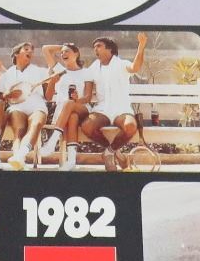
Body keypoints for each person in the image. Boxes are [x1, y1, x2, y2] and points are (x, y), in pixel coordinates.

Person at [80, 32, 151, 169]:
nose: (95, 49)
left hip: (122, 109)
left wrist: (141, 46)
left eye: (99, 46)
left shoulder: (121, 64)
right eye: (94, 47)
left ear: (110, 49)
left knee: (130, 126)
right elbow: (86, 94)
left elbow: (135, 67)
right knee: (87, 126)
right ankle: (115, 152)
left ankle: (108, 152)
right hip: (102, 110)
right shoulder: (93, 68)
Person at [0, 42, 52, 170]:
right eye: (26, 49)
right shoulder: (7, 74)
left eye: (31, 50)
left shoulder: (40, 71)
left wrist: (53, 82)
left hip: (37, 105)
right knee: (19, 130)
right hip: (16, 107)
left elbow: (48, 97)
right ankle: (18, 158)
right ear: (16, 53)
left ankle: (20, 156)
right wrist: (7, 94)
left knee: (36, 125)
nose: (30, 52)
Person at [40, 42, 93, 171]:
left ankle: (52, 141)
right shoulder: (60, 71)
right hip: (63, 113)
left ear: (76, 53)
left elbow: (88, 97)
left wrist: (77, 100)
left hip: (82, 108)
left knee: (70, 104)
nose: (63, 54)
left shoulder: (86, 72)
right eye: (62, 52)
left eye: (67, 51)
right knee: (72, 117)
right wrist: (63, 46)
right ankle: (71, 161)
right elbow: (45, 49)